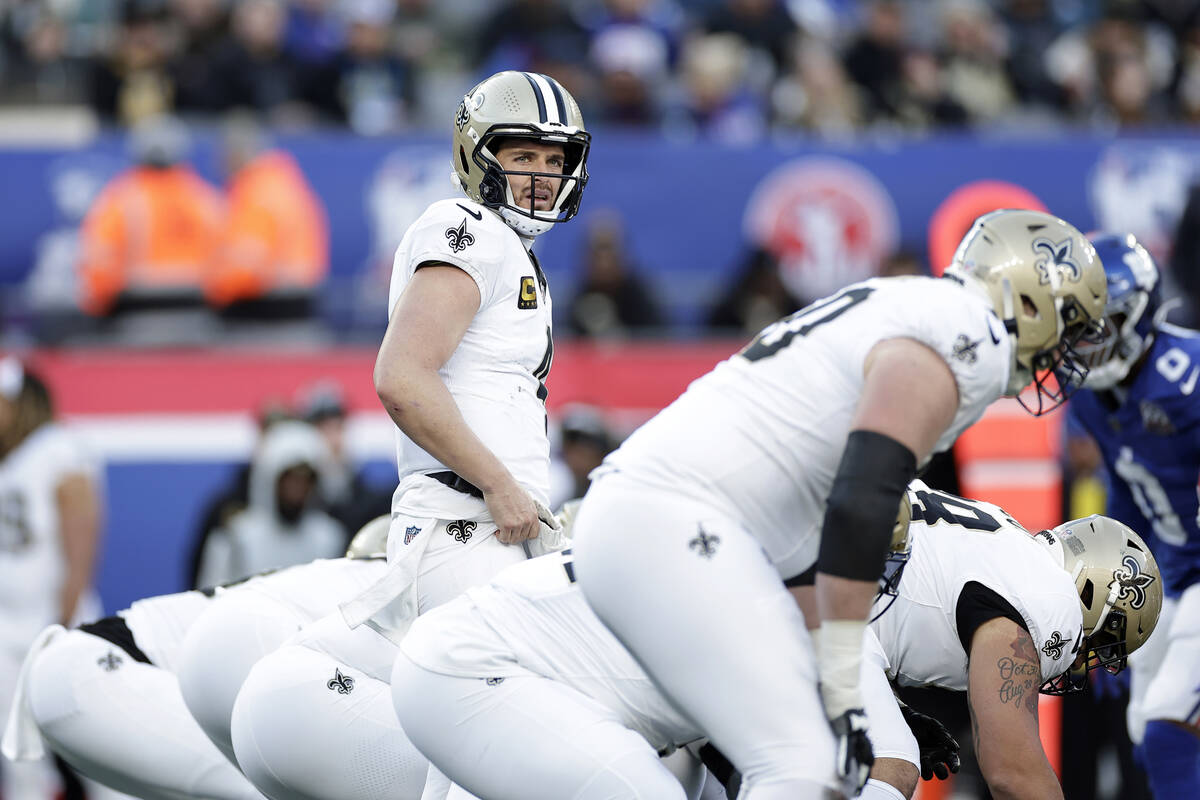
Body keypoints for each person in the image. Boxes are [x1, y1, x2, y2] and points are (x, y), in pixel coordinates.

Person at [569, 208, 1108, 798]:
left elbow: (827, 512)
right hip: (690, 528)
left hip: (673, 520)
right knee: (850, 762)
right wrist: (846, 676)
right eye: (1067, 323)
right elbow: (862, 499)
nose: (1065, 351)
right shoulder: (969, 337)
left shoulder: (910, 303)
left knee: (792, 759)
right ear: (1024, 301)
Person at [226, 70, 590, 800]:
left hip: (481, 532)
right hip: (468, 529)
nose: (541, 176)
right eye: (523, 155)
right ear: (477, 152)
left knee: (469, 764)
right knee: (488, 758)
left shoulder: (511, 251)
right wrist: (498, 484)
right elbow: (402, 376)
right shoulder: (468, 231)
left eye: (555, 161)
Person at [387, 481, 1161, 800]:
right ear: (1088, 597)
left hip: (577, 639)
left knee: (871, 768)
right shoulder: (1039, 598)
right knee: (870, 775)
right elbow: (1015, 764)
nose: (1082, 661)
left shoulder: (991, 543)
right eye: (1098, 643)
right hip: (501, 668)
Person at [1, 518, 392, 800]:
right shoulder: (377, 585)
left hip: (83, 671)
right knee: (284, 782)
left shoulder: (326, 578)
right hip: (103, 671)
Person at [1067, 232, 1200, 799]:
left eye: (1098, 325)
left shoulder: (1186, 373)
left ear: (1137, 310)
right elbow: (1124, 496)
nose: (1085, 341)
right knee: (1145, 732)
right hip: (1172, 573)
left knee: (1171, 723)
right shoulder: (1092, 397)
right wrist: (1112, 606)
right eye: (1077, 327)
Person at [0, 358, 103, 800]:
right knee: (20, 760)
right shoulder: (10, 459)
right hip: (7, 630)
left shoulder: (55, 446)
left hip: (55, 621)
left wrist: (65, 611)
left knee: (98, 748)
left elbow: (82, 527)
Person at [77, 115, 225, 316]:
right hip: (200, 316)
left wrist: (101, 307)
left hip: (135, 316)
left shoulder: (122, 200)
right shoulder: (205, 200)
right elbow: (229, 264)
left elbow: (98, 266)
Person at [192, 420, 345, 588]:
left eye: (305, 480)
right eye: (289, 479)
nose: (297, 489)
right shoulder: (237, 536)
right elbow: (211, 597)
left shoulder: (329, 538)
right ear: (269, 480)